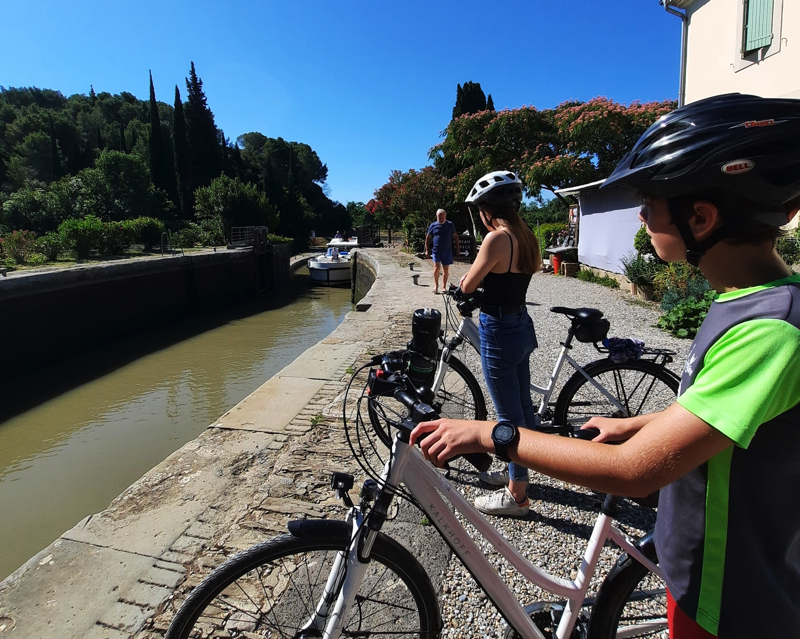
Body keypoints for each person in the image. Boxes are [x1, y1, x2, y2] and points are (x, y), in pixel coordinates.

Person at [410, 94, 800, 638]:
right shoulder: (744, 301)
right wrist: (635, 423)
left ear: (702, 218)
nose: (641, 216)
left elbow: (635, 471)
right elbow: (712, 409)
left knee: (512, 409)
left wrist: (490, 433)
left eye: (650, 202)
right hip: (694, 564)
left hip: (728, 597)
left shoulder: (771, 331)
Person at [459, 171, 541, 517]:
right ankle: (522, 468)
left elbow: (467, 284)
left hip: (498, 329)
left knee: (507, 417)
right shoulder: (527, 236)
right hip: (521, 323)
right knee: (523, 406)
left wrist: (465, 286)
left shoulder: (496, 239)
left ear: (487, 210)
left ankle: (516, 496)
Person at [425, 209, 459, 293]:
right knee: (436, 268)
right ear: (437, 217)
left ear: (445, 217)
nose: (441, 220)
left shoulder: (450, 224)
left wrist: (458, 249)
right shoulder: (433, 225)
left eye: (442, 218)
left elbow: (455, 237)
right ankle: (436, 286)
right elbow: (428, 238)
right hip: (436, 250)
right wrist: (427, 250)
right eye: (439, 218)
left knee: (445, 269)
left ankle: (443, 287)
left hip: (447, 250)